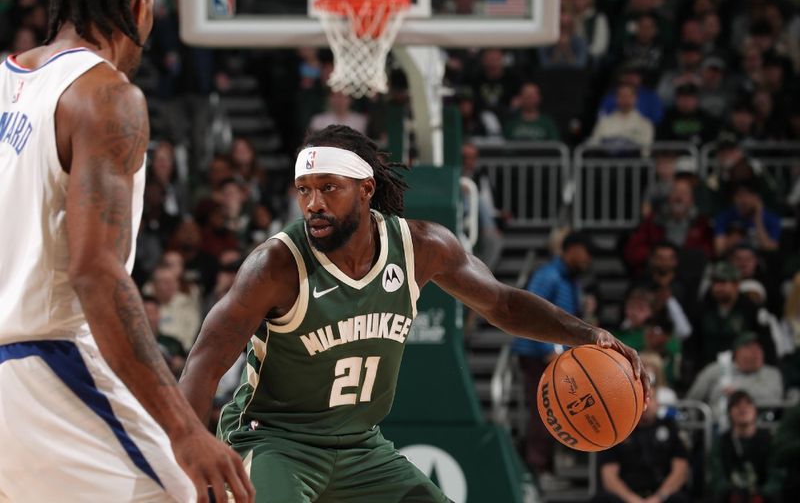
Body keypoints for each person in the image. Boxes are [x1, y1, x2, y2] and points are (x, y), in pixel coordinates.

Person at [179, 126, 648, 502]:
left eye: (329, 188)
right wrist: (186, 448)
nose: (314, 204)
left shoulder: (421, 246)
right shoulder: (276, 264)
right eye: (304, 190)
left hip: (360, 445)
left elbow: (501, 303)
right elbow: (206, 359)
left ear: (366, 189)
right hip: (276, 440)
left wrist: (585, 335)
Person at [0, 0, 252, 503]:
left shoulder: (7, 82)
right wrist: (186, 430)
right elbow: (96, 273)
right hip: (52, 366)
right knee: (194, 490)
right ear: (141, 6)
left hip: (12, 380)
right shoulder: (106, 96)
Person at [511, 230, 595, 475]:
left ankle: (547, 463)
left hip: (557, 356)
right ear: (572, 250)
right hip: (539, 355)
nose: (589, 259)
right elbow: (532, 312)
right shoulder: (548, 275)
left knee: (559, 411)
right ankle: (536, 466)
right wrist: (550, 350)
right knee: (545, 410)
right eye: (586, 252)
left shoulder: (571, 280)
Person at [594, 397, 690, 503]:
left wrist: (658, 498)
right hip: (627, 495)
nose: (647, 405)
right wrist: (632, 499)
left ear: (657, 403)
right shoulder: (618, 432)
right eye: (641, 399)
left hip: (661, 495)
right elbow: (609, 477)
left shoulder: (670, 428)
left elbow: (680, 471)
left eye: (650, 399)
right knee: (603, 499)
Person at [686, 333, 783, 421]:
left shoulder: (771, 374)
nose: (756, 352)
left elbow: (775, 400)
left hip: (760, 428)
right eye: (749, 347)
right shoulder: (715, 370)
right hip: (717, 429)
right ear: (737, 352)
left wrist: (739, 393)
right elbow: (692, 400)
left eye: (758, 347)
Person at [708, 390, 783, 503]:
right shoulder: (721, 442)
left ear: (755, 410)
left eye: (747, 404)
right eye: (737, 405)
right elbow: (716, 475)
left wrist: (763, 493)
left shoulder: (769, 440)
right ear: (730, 412)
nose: (743, 409)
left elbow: (776, 473)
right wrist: (729, 491)